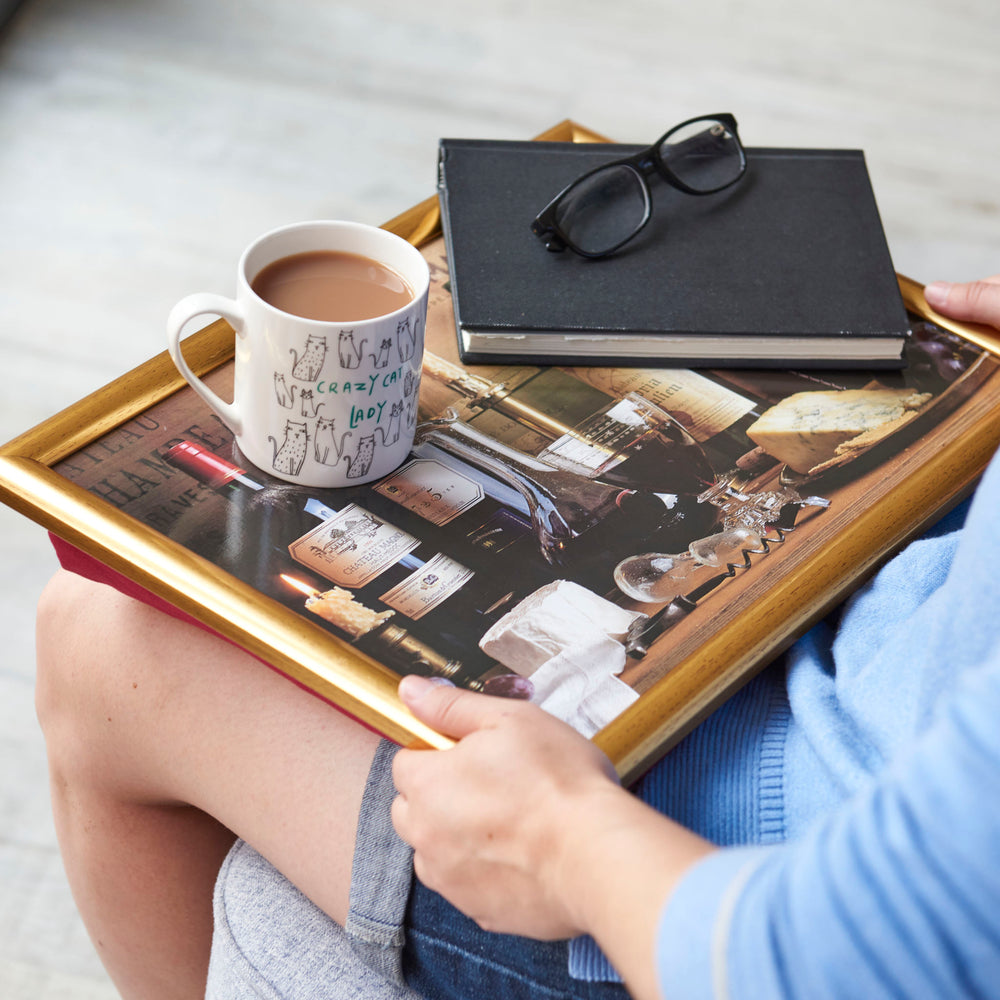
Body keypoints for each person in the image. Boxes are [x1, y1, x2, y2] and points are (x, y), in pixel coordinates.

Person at [32, 276, 1000, 1000]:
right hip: (877, 666)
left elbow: (830, 960)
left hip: (720, 872)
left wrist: (563, 841)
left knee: (97, 649)